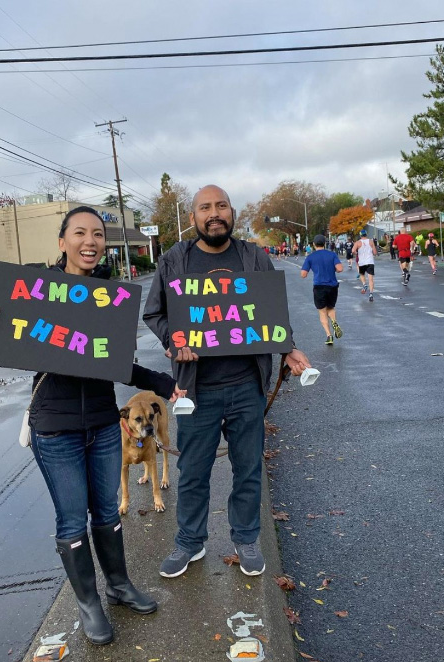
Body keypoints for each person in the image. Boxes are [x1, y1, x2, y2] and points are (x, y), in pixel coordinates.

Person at [0, 206, 185, 646]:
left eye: (98, 234)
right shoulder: (34, 293)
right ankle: (90, 603)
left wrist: (168, 384)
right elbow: (8, 336)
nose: (90, 241)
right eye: (80, 233)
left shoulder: (109, 299)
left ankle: (119, 585)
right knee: (72, 521)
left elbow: (119, 366)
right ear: (62, 241)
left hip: (106, 426)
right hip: (55, 428)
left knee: (107, 514)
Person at [143, 185, 312, 579]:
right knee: (194, 471)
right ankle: (190, 542)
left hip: (245, 386)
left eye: (221, 206)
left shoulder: (253, 256)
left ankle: (246, 537)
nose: (214, 213)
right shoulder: (174, 260)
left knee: (248, 467)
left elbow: (272, 313)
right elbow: (155, 313)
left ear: (232, 213)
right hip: (195, 390)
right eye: (205, 208)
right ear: (193, 219)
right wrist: (175, 340)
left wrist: (287, 348)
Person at [301, 234, 344, 345]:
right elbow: (340, 269)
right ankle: (334, 321)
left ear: (314, 244)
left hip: (319, 286)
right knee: (330, 308)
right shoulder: (332, 254)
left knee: (322, 311)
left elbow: (303, 274)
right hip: (332, 286)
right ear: (325, 243)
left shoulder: (310, 257)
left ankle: (329, 335)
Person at [353, 228, 377, 302]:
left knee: (362, 274)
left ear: (360, 235)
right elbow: (375, 252)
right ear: (366, 234)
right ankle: (371, 294)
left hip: (362, 262)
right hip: (370, 262)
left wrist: (356, 253)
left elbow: (353, 251)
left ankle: (364, 284)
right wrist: (373, 253)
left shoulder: (357, 243)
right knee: (371, 279)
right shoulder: (371, 241)